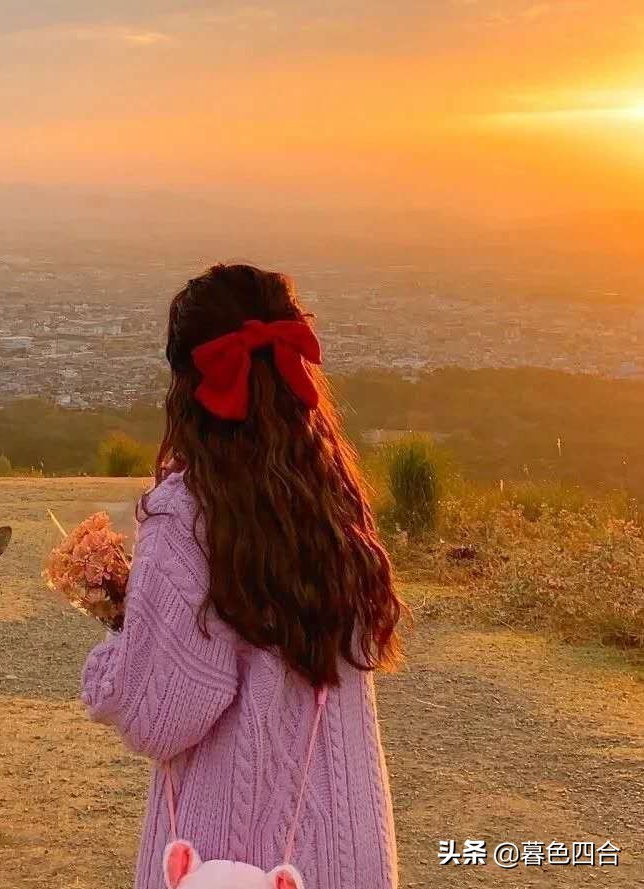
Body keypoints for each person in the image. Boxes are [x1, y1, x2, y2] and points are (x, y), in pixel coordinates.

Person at [81, 264, 404, 889]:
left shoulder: (186, 513)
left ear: (187, 387)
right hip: (348, 843)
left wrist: (112, 659)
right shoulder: (333, 496)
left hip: (226, 856)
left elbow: (163, 714)